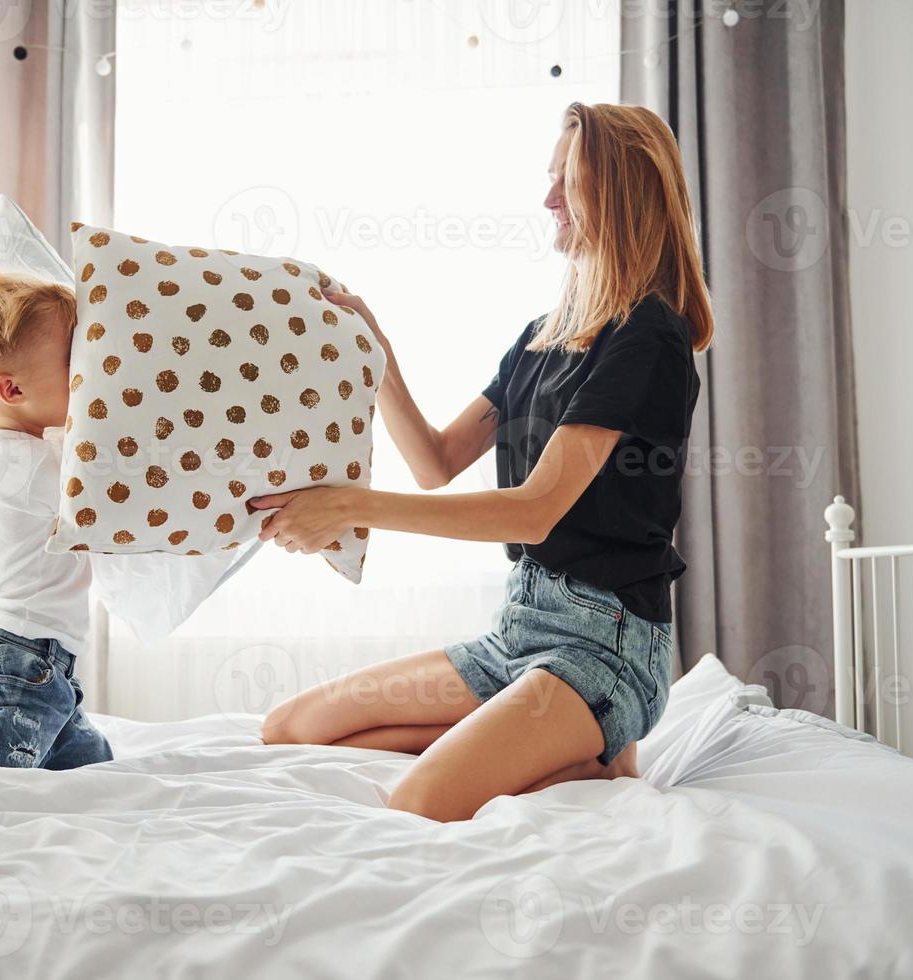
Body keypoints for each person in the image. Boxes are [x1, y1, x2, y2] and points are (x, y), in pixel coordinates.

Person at [251, 102, 713, 821]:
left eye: (569, 178)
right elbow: (436, 462)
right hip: (517, 634)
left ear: (621, 192)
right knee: (289, 729)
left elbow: (534, 509)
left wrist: (347, 506)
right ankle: (582, 756)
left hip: (604, 650)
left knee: (419, 801)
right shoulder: (542, 336)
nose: (548, 197)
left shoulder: (647, 337)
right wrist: (376, 352)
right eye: (550, 176)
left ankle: (593, 748)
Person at [0, 274, 113, 769]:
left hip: (40, 666)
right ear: (12, 389)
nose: (89, 373)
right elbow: (113, 502)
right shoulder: (22, 466)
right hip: (12, 666)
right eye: (74, 362)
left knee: (98, 777)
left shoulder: (18, 451)